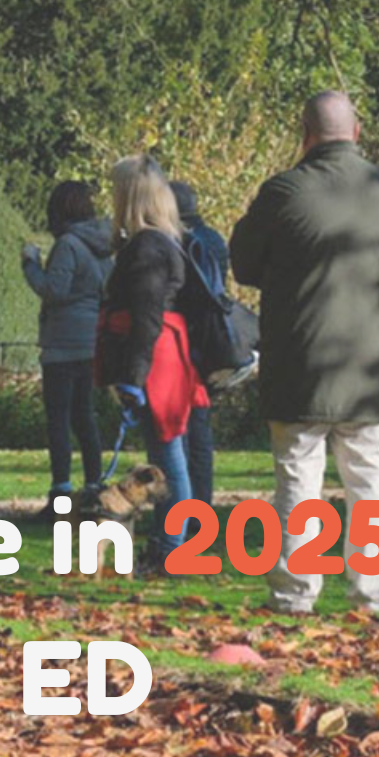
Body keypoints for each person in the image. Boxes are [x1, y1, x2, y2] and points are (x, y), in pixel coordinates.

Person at [230, 91, 379, 614]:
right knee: (370, 481)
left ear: (304, 133)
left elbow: (243, 264)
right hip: (371, 365)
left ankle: (295, 595)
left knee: (298, 481)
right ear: (356, 132)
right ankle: (372, 595)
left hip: (301, 362)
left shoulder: (284, 191)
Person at [96, 155, 206, 571]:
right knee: (171, 452)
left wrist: (132, 377)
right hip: (164, 354)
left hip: (155, 358)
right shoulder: (163, 242)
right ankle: (171, 545)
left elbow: (146, 316)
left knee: (168, 457)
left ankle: (170, 549)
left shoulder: (146, 248)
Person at [21, 181, 113, 516]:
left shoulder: (68, 245)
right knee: (84, 416)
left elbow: (54, 289)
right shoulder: (102, 245)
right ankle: (93, 486)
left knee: (58, 419)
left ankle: (60, 493)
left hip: (62, 341)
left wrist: (30, 264)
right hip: (91, 340)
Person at [170, 181, 227, 535]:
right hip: (212, 342)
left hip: (184, 341)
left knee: (180, 434)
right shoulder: (214, 240)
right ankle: (200, 508)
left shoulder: (179, 242)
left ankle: (183, 513)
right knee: (200, 433)